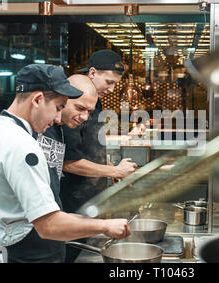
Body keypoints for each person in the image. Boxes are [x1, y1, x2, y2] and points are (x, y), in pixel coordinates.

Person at [0, 64, 130, 263]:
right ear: (38, 100)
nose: (59, 117)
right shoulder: (18, 141)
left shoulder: (29, 130)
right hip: (18, 243)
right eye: (61, 107)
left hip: (31, 234)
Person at [60, 50, 138, 262]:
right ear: (92, 72)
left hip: (91, 195)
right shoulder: (74, 100)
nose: (111, 89)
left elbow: (91, 147)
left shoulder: (96, 101)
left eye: (115, 84)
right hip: (71, 199)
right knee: (71, 254)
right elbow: (69, 161)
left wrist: (112, 169)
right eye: (109, 82)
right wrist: (113, 170)